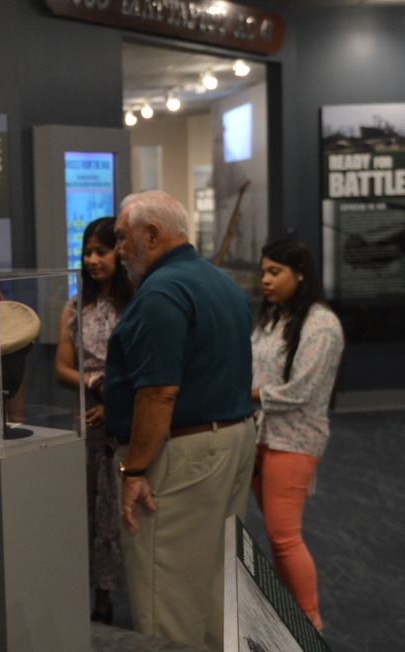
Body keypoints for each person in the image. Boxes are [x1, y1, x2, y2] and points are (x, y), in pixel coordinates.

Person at [104, 190, 255, 650]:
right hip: (231, 442)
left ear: (152, 234)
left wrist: (136, 470)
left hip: (180, 455)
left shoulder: (162, 293)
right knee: (215, 583)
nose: (118, 251)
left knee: (164, 595)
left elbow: (158, 393)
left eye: (122, 238)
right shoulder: (219, 282)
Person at [251, 239, 344, 632]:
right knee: (276, 537)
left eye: (275, 272)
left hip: (295, 441)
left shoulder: (322, 324)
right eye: (263, 271)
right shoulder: (274, 317)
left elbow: (301, 391)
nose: (265, 280)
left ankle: (310, 623)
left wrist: (250, 395)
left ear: (300, 273)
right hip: (262, 435)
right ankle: (292, 619)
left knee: (285, 537)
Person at [54, 216, 134, 624]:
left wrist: (116, 399)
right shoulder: (74, 306)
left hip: (126, 422)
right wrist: (93, 381)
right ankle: (96, 599)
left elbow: (143, 368)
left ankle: (135, 593)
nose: (92, 260)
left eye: (101, 251)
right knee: (87, 509)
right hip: (86, 418)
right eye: (86, 252)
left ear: (118, 255)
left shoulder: (135, 301)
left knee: (119, 509)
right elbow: (61, 368)